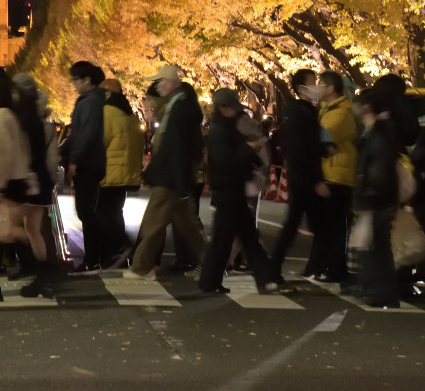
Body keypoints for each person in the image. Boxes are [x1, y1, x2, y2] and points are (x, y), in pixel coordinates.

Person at [121, 66, 205, 285]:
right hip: (175, 176)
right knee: (186, 225)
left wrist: (156, 173)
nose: (157, 87)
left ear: (169, 83)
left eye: (159, 82)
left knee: (153, 223)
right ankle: (212, 262)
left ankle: (142, 267)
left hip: (170, 177)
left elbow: (172, 147)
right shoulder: (178, 107)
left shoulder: (178, 110)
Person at [198, 91, 274, 295]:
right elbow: (226, 161)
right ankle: (264, 279)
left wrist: (255, 160)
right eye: (232, 107)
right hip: (228, 189)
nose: (236, 111)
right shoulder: (220, 131)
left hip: (232, 188)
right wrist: (250, 149)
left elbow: (236, 154)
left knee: (240, 238)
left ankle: (264, 279)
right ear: (223, 108)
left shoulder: (227, 127)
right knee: (233, 239)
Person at [0, 71, 37, 304]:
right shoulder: (10, 115)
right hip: (15, 182)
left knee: (3, 234)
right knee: (3, 235)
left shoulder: (1, 117)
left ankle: (43, 272)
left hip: (6, 184)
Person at [269, 68, 325, 285]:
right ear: (301, 88)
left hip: (303, 178)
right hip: (304, 179)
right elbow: (301, 150)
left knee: (306, 226)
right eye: (312, 82)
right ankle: (276, 268)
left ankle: (315, 266)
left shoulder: (306, 111)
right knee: (302, 226)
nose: (316, 86)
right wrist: (317, 179)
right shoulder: (298, 113)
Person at [351, 89, 401, 307]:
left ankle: (380, 291)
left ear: (366, 107)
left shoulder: (378, 134)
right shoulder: (374, 131)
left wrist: (370, 195)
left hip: (377, 198)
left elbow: (378, 169)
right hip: (380, 197)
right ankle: (383, 291)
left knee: (374, 246)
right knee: (377, 245)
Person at [14, 74, 61, 296]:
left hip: (28, 180)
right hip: (37, 179)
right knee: (32, 229)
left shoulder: (25, 119)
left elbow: (26, 152)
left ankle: (42, 273)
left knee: (15, 228)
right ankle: (44, 274)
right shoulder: (34, 119)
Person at [313, 71, 357, 285]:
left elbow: (321, 137)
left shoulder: (342, 113)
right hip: (329, 172)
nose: (317, 88)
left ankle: (336, 269)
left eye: (320, 85)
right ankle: (327, 266)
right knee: (329, 225)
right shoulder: (326, 110)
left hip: (338, 175)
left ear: (330, 88)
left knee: (335, 226)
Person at [65, 62, 108, 271]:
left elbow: (85, 135)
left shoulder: (90, 102)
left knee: (86, 210)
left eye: (76, 79)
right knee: (87, 210)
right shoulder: (93, 100)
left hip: (88, 162)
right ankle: (97, 256)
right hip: (91, 161)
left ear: (87, 80)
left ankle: (94, 258)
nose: (73, 84)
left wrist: (74, 159)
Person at [98, 77, 144, 268]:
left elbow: (101, 142)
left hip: (110, 172)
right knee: (116, 211)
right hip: (127, 173)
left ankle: (121, 246)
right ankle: (120, 252)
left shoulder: (106, 112)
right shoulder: (131, 115)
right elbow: (140, 145)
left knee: (105, 213)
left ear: (108, 94)